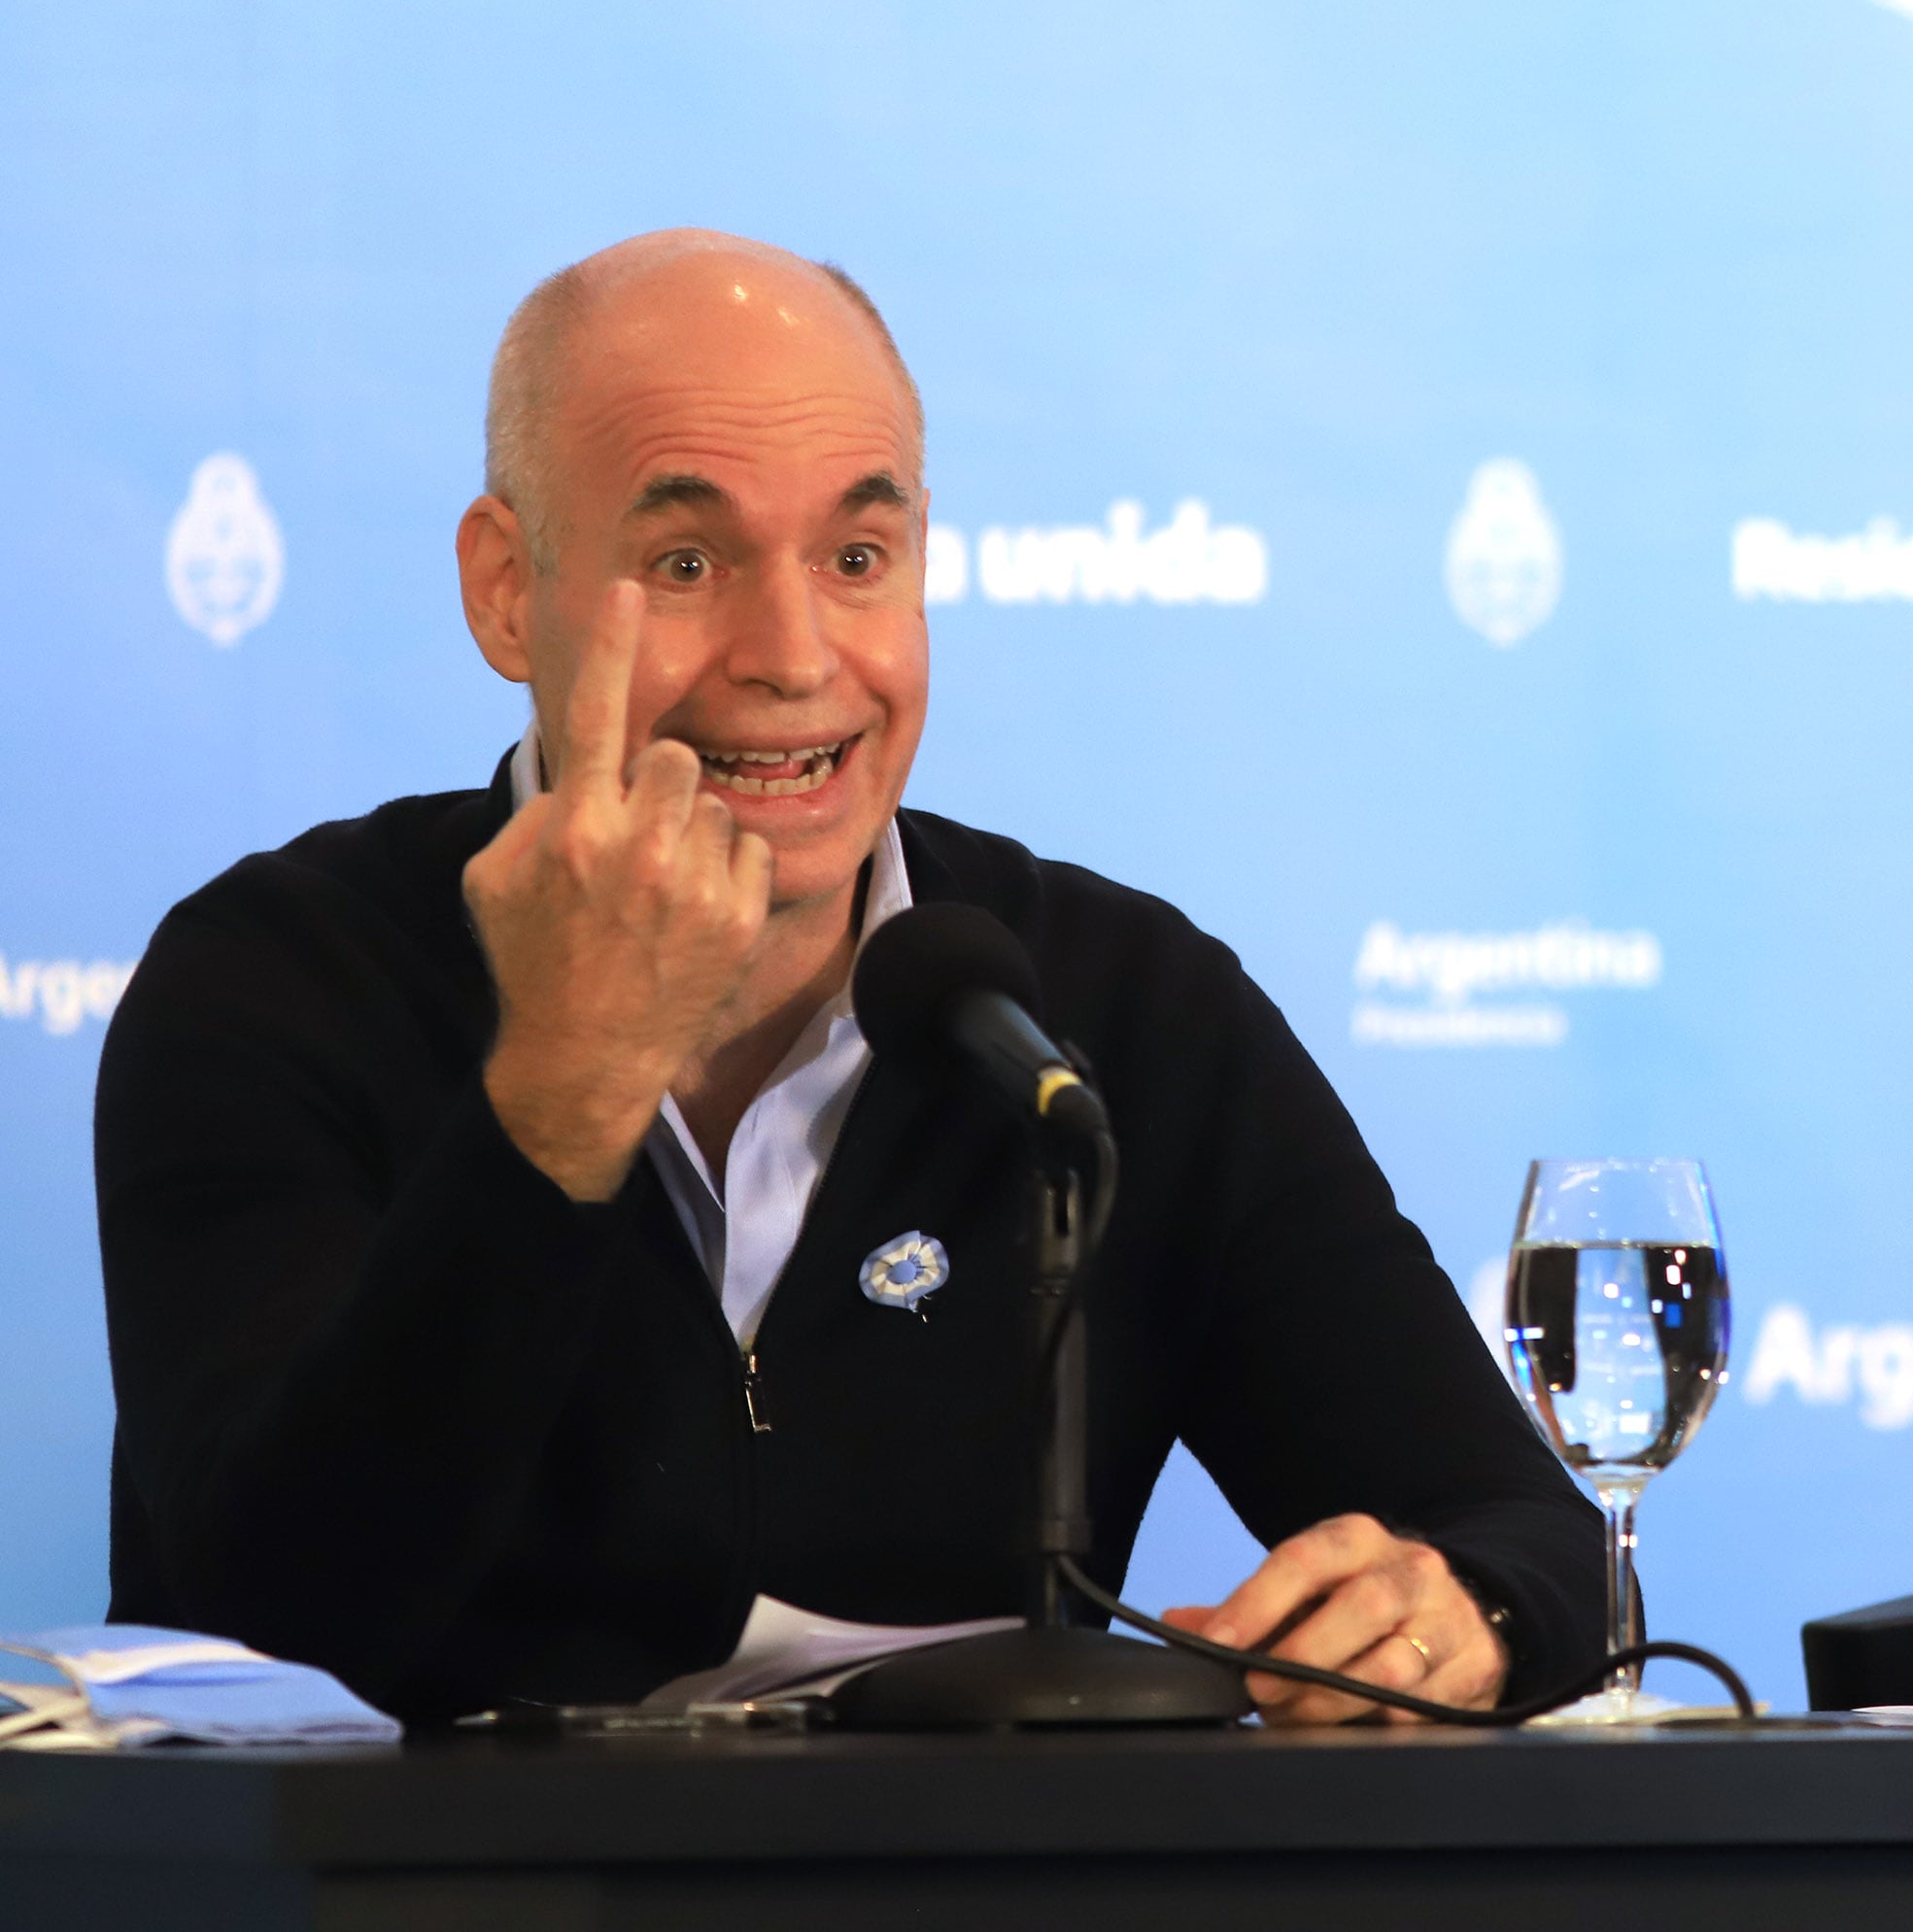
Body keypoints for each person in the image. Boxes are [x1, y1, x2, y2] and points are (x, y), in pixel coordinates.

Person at [94, 230, 1599, 1724]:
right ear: (507, 589)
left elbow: (1537, 1545)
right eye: (687, 562)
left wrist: (1465, 1618)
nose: (795, 654)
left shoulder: (1110, 1008)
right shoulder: (276, 979)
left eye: (856, 559)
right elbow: (270, 1627)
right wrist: (563, 1090)